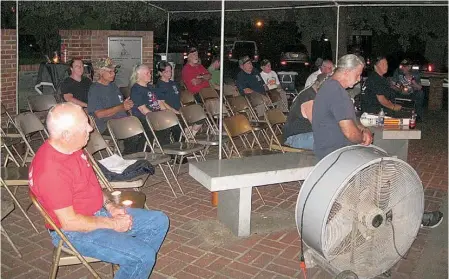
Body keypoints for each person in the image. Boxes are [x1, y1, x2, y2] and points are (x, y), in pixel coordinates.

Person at [29, 103, 169, 279]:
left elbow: (91, 184)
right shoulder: (51, 171)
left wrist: (111, 207)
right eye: (84, 125)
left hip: (97, 213)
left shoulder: (72, 148)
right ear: (66, 135)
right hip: (74, 232)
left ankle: (130, 267)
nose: (90, 128)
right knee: (143, 256)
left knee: (158, 221)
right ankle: (134, 262)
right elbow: (69, 222)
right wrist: (113, 224)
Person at [312, 54, 443, 228]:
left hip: (329, 151)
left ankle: (391, 214)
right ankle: (410, 219)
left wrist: (363, 128)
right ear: (347, 71)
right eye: (357, 75)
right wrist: (363, 137)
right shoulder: (337, 93)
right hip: (338, 155)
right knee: (393, 172)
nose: (359, 80)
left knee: (384, 169)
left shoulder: (328, 87)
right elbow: (350, 133)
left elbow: (348, 120)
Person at [130, 64, 181, 146]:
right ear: (139, 75)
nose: (150, 75)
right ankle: (168, 151)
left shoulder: (151, 87)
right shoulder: (136, 89)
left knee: (175, 121)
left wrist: (168, 113)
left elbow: (160, 102)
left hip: (156, 115)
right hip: (144, 118)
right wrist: (157, 118)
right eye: (147, 73)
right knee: (164, 127)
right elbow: (143, 109)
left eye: (150, 73)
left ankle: (177, 148)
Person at [87, 57, 133, 134]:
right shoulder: (95, 89)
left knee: (140, 126)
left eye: (114, 71)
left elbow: (119, 106)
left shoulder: (113, 86)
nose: (113, 74)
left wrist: (126, 106)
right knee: (132, 131)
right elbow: (99, 114)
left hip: (121, 120)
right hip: (106, 125)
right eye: (110, 71)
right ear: (101, 72)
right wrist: (122, 106)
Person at [156, 61, 202, 137]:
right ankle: (186, 137)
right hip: (170, 112)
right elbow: (162, 103)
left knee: (199, 116)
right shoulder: (160, 85)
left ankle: (190, 136)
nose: (169, 73)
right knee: (186, 125)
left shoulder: (173, 83)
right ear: (161, 73)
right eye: (166, 72)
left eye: (170, 71)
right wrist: (175, 111)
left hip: (180, 109)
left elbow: (180, 97)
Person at [283, 73, 328, 149]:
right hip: (295, 138)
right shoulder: (309, 98)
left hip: (305, 134)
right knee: (335, 139)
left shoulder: (312, 92)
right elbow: (317, 125)